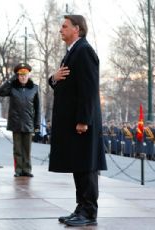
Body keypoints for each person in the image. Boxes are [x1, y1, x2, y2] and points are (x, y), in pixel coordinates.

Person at [48, 15, 107, 227]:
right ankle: (81, 207)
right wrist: (53, 78)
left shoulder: (84, 51)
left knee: (86, 167)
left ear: (77, 29)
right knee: (78, 165)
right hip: (74, 122)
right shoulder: (73, 51)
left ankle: (89, 211)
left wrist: (83, 120)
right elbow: (64, 82)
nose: (60, 29)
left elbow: (89, 90)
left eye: (64, 26)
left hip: (83, 122)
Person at [0, 62, 40, 177]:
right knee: (17, 149)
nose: (23, 77)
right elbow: (0, 92)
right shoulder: (12, 88)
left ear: (28, 75)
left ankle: (27, 170)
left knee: (27, 149)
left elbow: (37, 108)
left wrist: (37, 124)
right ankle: (18, 170)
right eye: (20, 74)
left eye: (25, 74)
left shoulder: (34, 88)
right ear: (17, 76)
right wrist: (10, 80)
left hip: (28, 123)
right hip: (16, 123)